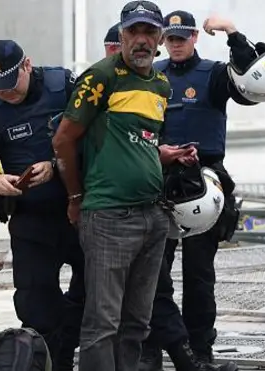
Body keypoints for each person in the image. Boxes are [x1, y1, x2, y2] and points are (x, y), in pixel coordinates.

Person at [51, 2, 198, 370]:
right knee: (103, 324)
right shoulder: (101, 76)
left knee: (137, 324)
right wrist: (74, 197)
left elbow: (140, 140)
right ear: (121, 35)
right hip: (109, 216)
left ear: (161, 38)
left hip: (152, 216)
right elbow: (62, 141)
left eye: (150, 32)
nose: (142, 40)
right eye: (134, 32)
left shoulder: (162, 85)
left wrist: (164, 156)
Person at [140, 11, 265, 370]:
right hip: (161, 179)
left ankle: (200, 349)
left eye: (182, 37)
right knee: (154, 273)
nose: (176, 43)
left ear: (195, 37)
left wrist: (232, 32)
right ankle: (153, 347)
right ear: (163, 40)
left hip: (205, 182)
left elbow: (250, 82)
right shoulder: (153, 76)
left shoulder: (213, 74)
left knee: (199, 275)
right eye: (170, 38)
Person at [0, 39, 84, 371]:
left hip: (80, 211)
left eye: (12, 83)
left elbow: (98, 138)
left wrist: (56, 166)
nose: (7, 93)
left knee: (94, 296)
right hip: (31, 219)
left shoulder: (64, 86)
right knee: (34, 303)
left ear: (27, 65)